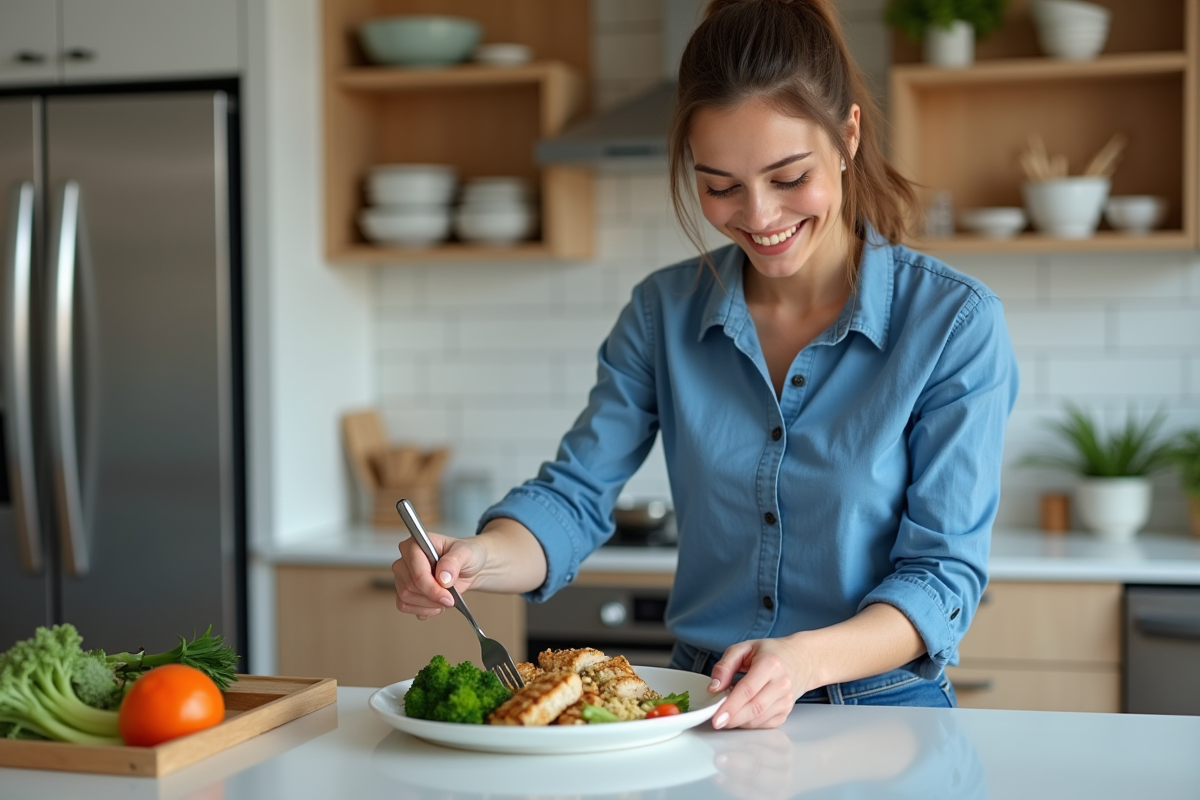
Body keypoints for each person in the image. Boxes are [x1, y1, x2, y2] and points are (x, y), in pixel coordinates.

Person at [392, 0, 1018, 730]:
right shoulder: (664, 312)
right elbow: (574, 497)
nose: (758, 216)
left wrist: (804, 661)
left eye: (788, 178)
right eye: (720, 186)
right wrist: (474, 559)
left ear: (847, 135)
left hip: (881, 717)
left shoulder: (952, 322)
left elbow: (941, 576)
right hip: (701, 708)